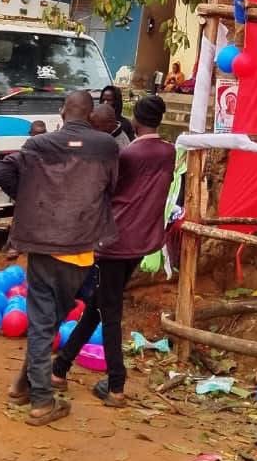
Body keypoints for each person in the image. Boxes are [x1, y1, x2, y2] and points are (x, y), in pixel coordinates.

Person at [0, 90, 118, 426]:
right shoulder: (106, 147)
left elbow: (0, 172)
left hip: (42, 244)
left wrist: (34, 201)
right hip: (79, 248)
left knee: (43, 320)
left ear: (62, 112)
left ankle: (24, 387)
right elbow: (113, 188)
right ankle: (41, 401)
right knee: (47, 320)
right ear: (91, 116)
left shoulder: (37, 146)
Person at [52, 94, 175, 407]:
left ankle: (116, 384)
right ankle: (61, 366)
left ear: (135, 120)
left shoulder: (129, 154)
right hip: (142, 242)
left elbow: (106, 190)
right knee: (98, 304)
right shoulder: (169, 152)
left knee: (110, 311)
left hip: (115, 240)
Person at [4, 120, 48, 260]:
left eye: (41, 134)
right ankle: (14, 246)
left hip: (48, 191)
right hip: (29, 191)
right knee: (21, 214)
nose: (37, 138)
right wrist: (17, 192)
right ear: (30, 134)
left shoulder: (53, 150)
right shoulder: (25, 150)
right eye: (35, 134)